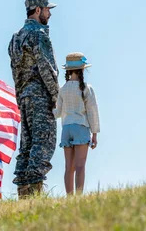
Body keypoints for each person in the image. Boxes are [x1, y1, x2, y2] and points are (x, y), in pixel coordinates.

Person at [8, 0, 59, 199]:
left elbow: (15, 71)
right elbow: (47, 69)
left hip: (24, 98)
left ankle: (23, 195)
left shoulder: (15, 38)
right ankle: (35, 195)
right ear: (38, 10)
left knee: (27, 146)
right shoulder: (39, 35)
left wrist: (20, 97)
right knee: (43, 144)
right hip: (40, 96)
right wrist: (57, 97)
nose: (49, 14)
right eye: (48, 10)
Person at [53, 52, 100, 195]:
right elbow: (92, 112)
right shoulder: (86, 88)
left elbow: (58, 113)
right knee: (80, 167)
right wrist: (95, 134)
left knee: (69, 167)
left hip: (66, 129)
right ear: (82, 69)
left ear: (67, 70)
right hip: (81, 127)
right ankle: (78, 197)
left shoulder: (62, 89)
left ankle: (69, 197)